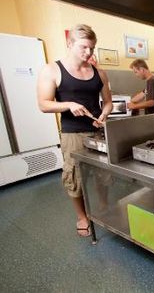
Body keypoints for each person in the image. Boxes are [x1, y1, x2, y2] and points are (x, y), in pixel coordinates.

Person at [37, 24, 113, 237]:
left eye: (92, 48)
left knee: (103, 174)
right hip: (73, 134)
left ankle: (104, 207)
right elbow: (43, 104)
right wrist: (68, 105)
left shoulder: (100, 73)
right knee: (74, 176)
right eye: (83, 47)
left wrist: (104, 114)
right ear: (69, 44)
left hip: (98, 132)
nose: (88, 53)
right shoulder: (52, 69)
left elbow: (108, 102)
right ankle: (82, 216)